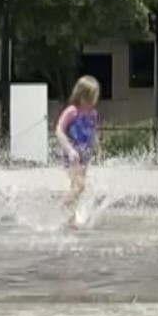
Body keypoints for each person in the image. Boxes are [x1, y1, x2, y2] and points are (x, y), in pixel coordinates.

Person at [55, 76, 101, 228]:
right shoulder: (72, 111)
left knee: (78, 188)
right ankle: (61, 208)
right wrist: (69, 149)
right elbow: (59, 130)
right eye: (93, 96)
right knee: (78, 186)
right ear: (82, 95)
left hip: (85, 155)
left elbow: (93, 132)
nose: (95, 99)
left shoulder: (92, 113)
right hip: (73, 155)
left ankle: (70, 219)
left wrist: (97, 147)